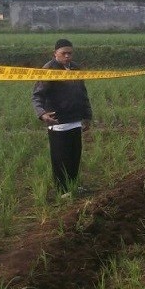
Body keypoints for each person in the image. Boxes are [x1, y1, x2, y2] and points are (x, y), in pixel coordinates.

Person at [32, 39, 92, 197]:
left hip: (75, 120)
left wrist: (87, 116)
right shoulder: (48, 69)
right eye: (63, 53)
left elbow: (83, 93)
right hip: (58, 122)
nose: (67, 56)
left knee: (74, 156)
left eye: (69, 53)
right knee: (60, 159)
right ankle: (62, 191)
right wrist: (42, 113)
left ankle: (72, 186)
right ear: (55, 54)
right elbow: (37, 95)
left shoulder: (76, 68)